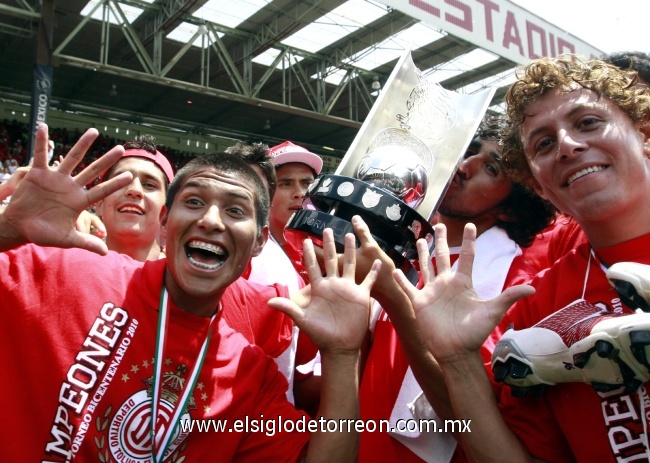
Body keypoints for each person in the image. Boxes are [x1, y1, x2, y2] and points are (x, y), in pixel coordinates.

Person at [0, 123, 380, 462]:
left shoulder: (249, 375)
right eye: (194, 202)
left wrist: (342, 356)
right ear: (164, 223)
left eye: (235, 211)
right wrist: (9, 230)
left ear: (260, 241)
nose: (211, 221)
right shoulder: (69, 274)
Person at [395, 56, 650, 462]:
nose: (567, 145)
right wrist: (457, 358)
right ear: (539, 186)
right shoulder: (534, 305)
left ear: (645, 134)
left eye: (587, 122)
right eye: (544, 143)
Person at [356, 116, 556, 463]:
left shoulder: (514, 280)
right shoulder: (410, 245)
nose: (464, 167)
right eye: (470, 152)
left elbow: (468, 415)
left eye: (491, 168)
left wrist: (393, 296)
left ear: (509, 210)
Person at [95, 135, 174, 261]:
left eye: (149, 185)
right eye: (121, 182)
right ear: (99, 203)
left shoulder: (186, 279)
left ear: (168, 214)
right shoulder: (67, 267)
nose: (134, 190)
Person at [267, 140, 323, 282]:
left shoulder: (331, 245)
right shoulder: (249, 252)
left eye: (307, 184)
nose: (300, 193)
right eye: (286, 184)